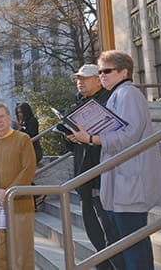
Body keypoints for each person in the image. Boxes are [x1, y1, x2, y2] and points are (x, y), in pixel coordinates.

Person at [69, 51, 161, 270]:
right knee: (126, 241)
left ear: (124, 72)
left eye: (107, 71)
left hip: (130, 179)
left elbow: (129, 134)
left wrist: (91, 138)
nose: (102, 75)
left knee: (133, 241)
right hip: (121, 178)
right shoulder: (118, 94)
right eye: (100, 71)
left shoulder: (128, 94)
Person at [63, 64, 122, 270]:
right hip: (83, 174)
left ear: (99, 79)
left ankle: (114, 266)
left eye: (85, 78)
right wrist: (69, 136)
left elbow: (110, 138)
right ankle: (103, 265)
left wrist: (88, 137)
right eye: (78, 78)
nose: (80, 82)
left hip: (100, 174)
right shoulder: (79, 103)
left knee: (108, 229)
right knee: (92, 227)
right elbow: (72, 147)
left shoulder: (108, 102)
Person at [0, 102, 37, 270]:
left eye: (2, 116)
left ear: (9, 117)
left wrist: (8, 193)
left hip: (19, 204)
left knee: (21, 252)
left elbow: (28, 169)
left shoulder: (23, 139)